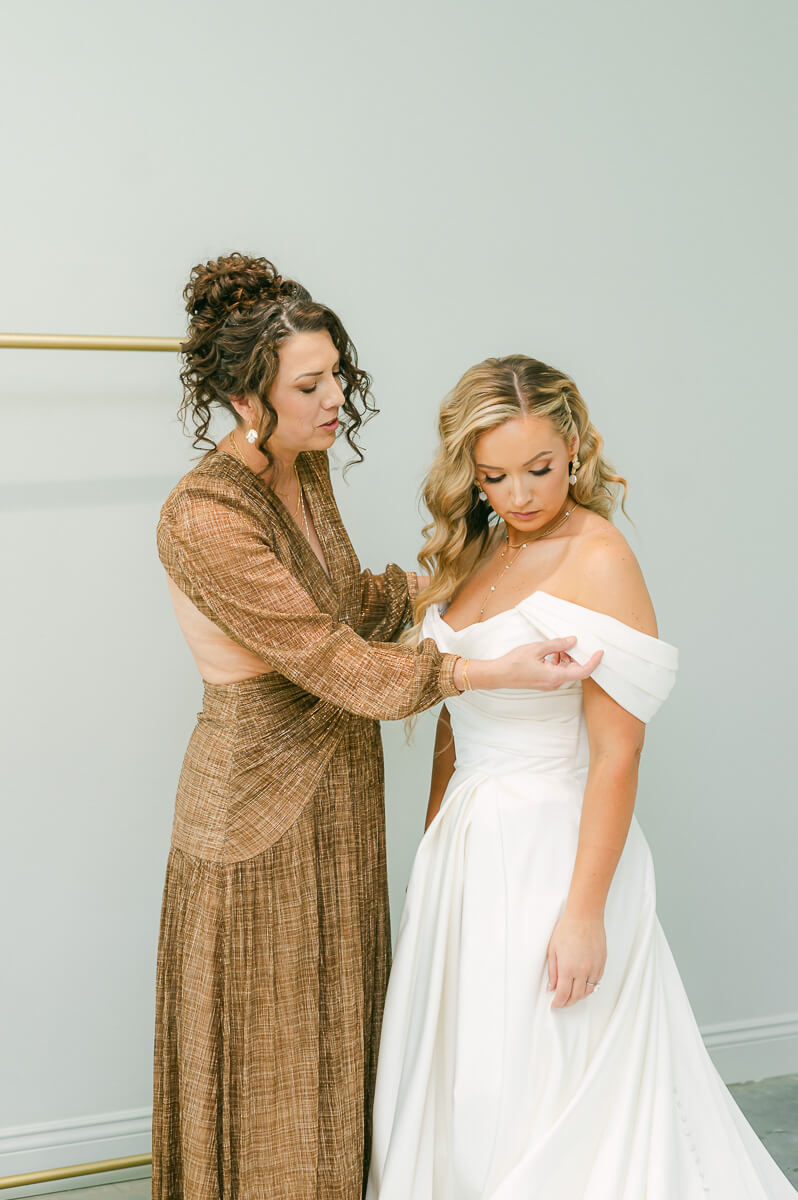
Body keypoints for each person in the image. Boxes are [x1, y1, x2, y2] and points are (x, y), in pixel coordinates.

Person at [153, 258, 601, 1200]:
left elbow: (349, 600)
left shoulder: (302, 470)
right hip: (258, 816)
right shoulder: (202, 516)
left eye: (337, 377)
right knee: (274, 1063)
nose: (334, 402)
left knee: (339, 1049)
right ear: (245, 397)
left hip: (341, 801)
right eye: (308, 386)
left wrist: (459, 578)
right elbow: (333, 659)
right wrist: (482, 668)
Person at [366, 354, 794, 1199]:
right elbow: (454, 719)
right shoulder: (477, 548)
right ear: (469, 471)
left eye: (541, 470)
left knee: (543, 1083)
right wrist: (431, 848)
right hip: (467, 851)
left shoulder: (599, 556)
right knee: (466, 1078)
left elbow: (619, 751)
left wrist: (586, 914)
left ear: (577, 451)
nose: (521, 495)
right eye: (495, 476)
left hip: (553, 855)